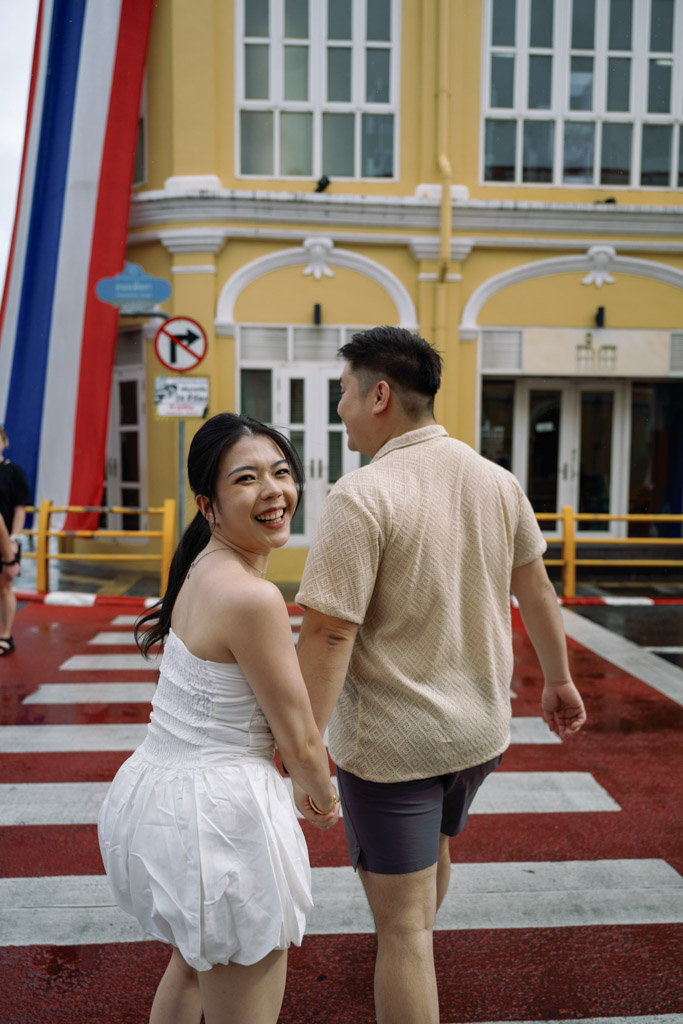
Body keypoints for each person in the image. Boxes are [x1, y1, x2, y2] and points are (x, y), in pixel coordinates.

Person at [292, 326, 587, 1024]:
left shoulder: (361, 495)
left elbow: (329, 633)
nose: (339, 410)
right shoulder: (496, 480)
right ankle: (415, 942)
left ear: (380, 395)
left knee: (401, 934)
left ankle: (409, 954)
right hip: (477, 736)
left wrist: (302, 751)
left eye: (343, 394)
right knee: (434, 857)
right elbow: (535, 588)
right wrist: (558, 680)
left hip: (393, 749)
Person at [98, 413, 339, 1024]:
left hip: (165, 793)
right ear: (207, 504)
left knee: (190, 965)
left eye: (280, 472)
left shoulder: (200, 565)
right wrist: (322, 798)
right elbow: (299, 739)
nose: (273, 491)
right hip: (222, 818)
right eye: (247, 479)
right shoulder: (253, 597)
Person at [0, 426, 32, 656]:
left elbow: (20, 508)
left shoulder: (13, 471)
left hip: (6, 538)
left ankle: (5, 635)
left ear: (4, 442)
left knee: (5, 586)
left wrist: (14, 539)